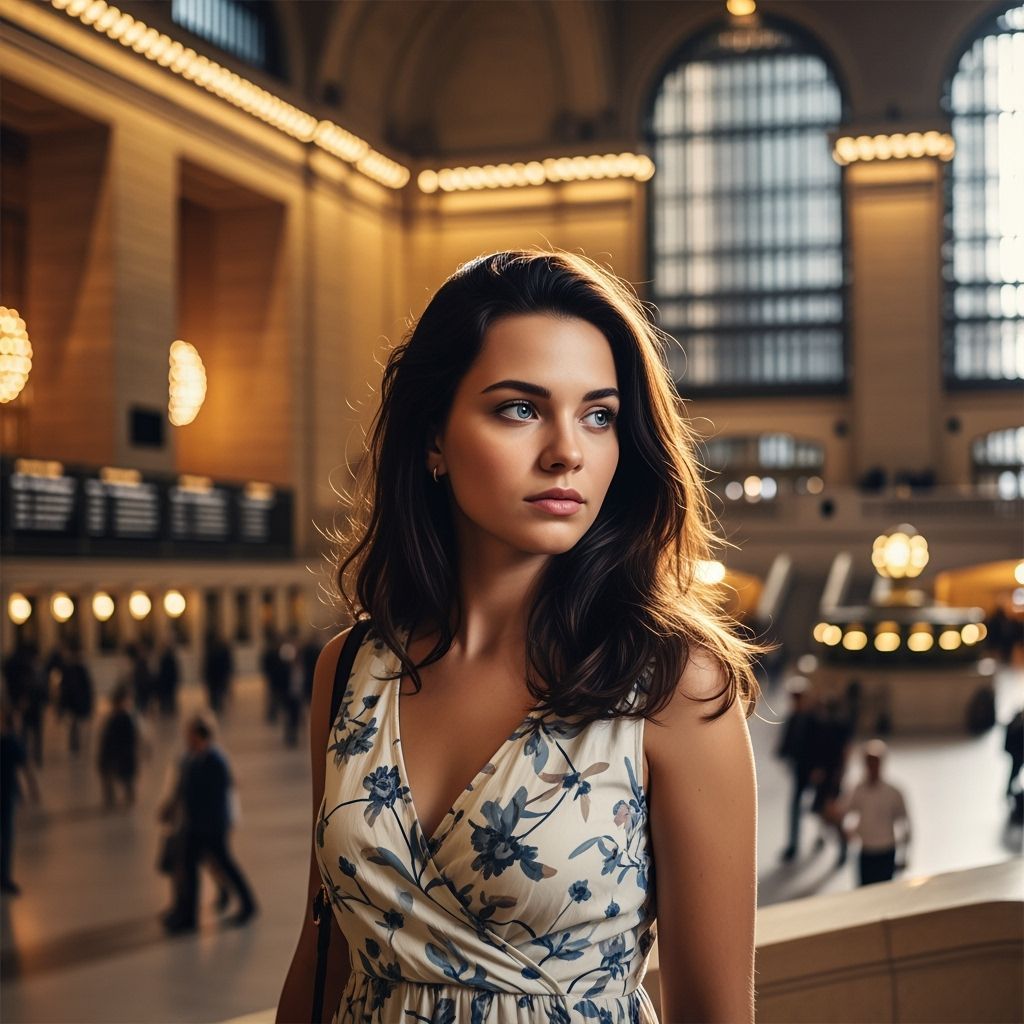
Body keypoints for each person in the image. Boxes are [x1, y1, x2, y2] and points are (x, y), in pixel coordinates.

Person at [277, 250, 767, 1023]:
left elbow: (714, 1013)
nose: (568, 450)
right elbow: (324, 954)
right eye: (520, 408)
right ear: (434, 436)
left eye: (598, 415)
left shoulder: (669, 685)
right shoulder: (350, 670)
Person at [160, 713, 257, 933]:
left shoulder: (215, 760)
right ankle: (187, 915)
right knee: (189, 869)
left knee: (224, 864)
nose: (186, 738)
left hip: (211, 827)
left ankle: (248, 904)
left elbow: (217, 797)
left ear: (198, 735)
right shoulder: (193, 757)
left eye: (189, 734)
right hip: (195, 826)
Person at [840, 739, 911, 886]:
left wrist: (905, 853)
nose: (872, 767)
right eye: (869, 763)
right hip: (866, 849)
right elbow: (845, 811)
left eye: (875, 762)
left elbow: (905, 822)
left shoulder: (893, 792)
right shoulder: (858, 790)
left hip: (887, 848)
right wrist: (847, 830)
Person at [775, 675, 818, 863]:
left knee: (819, 806)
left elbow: (822, 745)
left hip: (814, 770)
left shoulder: (815, 718)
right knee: (795, 807)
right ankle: (794, 844)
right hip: (800, 768)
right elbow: (787, 741)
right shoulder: (794, 717)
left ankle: (823, 837)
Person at [809, 694, 854, 867]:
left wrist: (836, 775)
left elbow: (840, 754)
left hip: (831, 776)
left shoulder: (831, 727)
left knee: (832, 813)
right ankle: (823, 838)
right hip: (830, 775)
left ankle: (842, 846)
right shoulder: (835, 727)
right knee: (823, 810)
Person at [1, 703, 40, 895]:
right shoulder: (11, 741)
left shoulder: (11, 742)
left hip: (7, 796)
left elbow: (25, 767)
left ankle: (4, 876)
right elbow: (26, 767)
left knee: (7, 838)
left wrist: (30, 790)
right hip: (6, 796)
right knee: (6, 838)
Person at [97, 685, 144, 809]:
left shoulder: (124, 717)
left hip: (122, 754)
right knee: (116, 777)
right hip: (116, 754)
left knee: (125, 778)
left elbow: (133, 737)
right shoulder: (117, 718)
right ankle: (114, 798)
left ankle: (124, 797)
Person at [57, 641, 94, 755]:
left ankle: (76, 746)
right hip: (75, 702)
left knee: (77, 724)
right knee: (76, 724)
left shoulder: (76, 668)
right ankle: (75, 746)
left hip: (77, 701)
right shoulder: (72, 668)